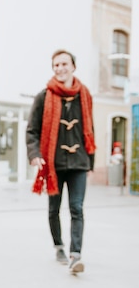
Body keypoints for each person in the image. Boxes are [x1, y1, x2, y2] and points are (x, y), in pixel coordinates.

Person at [26, 49, 96, 274]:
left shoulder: (84, 95)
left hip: (79, 163)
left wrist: (91, 162)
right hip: (53, 164)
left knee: (77, 208)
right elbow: (32, 130)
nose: (60, 68)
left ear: (73, 66)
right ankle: (59, 246)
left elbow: (89, 129)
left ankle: (76, 255)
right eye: (56, 65)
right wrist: (35, 154)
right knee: (53, 209)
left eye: (64, 64)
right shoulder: (43, 96)